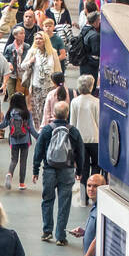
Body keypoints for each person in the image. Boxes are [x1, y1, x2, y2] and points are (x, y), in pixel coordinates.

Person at [32, 100, 86, 246]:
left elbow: (39, 150)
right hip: (67, 171)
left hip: (49, 169)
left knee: (47, 200)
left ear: (54, 113)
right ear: (67, 114)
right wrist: (79, 171)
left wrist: (35, 169)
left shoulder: (47, 130)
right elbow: (80, 152)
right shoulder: (73, 131)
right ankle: (60, 236)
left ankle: (47, 231)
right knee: (64, 203)